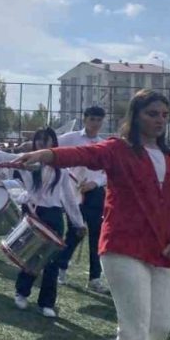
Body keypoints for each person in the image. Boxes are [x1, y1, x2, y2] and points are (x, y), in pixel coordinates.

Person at [16, 90, 170, 340]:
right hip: (123, 247)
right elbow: (84, 153)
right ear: (136, 115)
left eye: (163, 114)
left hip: (165, 252)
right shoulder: (117, 150)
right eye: (152, 113)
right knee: (135, 323)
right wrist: (48, 154)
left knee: (161, 326)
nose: (159, 120)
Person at [0, 128, 84, 317]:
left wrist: (78, 222)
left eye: (47, 141)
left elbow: (69, 198)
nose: (43, 145)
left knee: (51, 261)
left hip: (54, 216)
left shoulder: (61, 168)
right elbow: (4, 156)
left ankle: (46, 303)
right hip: (33, 213)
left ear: (53, 143)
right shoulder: (28, 161)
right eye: (39, 141)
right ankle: (21, 293)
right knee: (30, 257)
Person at [57, 106, 111, 294]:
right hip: (74, 193)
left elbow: (107, 173)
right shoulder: (70, 138)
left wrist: (95, 183)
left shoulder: (103, 145)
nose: (95, 124)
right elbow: (52, 149)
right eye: (92, 119)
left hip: (95, 194)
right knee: (74, 233)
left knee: (97, 236)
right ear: (85, 119)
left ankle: (95, 278)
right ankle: (61, 269)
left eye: (99, 120)